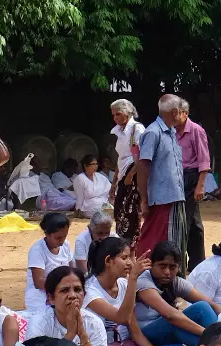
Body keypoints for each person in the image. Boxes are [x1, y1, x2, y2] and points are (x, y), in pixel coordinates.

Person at [83, 237, 178, 346]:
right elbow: (121, 318)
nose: (130, 262)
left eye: (130, 257)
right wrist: (133, 278)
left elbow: (134, 330)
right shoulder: (90, 292)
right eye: (124, 257)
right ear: (108, 261)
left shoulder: (122, 284)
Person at [131, 242, 219, 346]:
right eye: (162, 266)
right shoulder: (143, 281)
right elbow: (169, 315)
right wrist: (209, 333)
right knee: (181, 321)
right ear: (151, 264)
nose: (167, 272)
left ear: (178, 266)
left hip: (159, 336)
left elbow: (211, 305)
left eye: (172, 267)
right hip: (140, 335)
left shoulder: (175, 282)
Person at [134, 94, 187, 261]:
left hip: (175, 196)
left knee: (173, 241)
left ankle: (170, 277)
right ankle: (144, 274)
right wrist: (144, 199)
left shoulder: (171, 132)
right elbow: (143, 167)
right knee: (155, 240)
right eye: (180, 111)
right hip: (161, 199)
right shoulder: (153, 133)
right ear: (174, 112)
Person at [172, 98, 209, 268]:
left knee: (183, 222)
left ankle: (179, 265)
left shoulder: (196, 131)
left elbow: (204, 161)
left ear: (185, 114)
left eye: (176, 113)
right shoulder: (172, 131)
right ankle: (197, 263)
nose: (172, 117)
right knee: (194, 224)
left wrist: (200, 185)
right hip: (177, 178)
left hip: (191, 177)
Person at [109, 99, 145, 241]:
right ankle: (123, 243)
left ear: (127, 113)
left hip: (133, 171)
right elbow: (121, 157)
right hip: (124, 171)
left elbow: (143, 155)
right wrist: (114, 182)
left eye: (118, 114)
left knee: (130, 210)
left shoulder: (137, 129)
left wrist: (131, 174)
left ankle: (131, 245)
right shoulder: (120, 131)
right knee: (119, 209)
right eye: (113, 115)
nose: (115, 118)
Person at [24, 213, 72, 313]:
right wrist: (63, 287)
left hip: (61, 294)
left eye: (64, 236)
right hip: (40, 300)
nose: (62, 241)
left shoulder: (65, 245)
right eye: (58, 238)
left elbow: (72, 269)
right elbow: (39, 282)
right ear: (46, 234)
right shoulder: (37, 250)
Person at [69, 156, 111, 222]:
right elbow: (80, 198)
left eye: (97, 164)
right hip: (89, 209)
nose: (96, 166)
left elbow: (110, 191)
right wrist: (77, 211)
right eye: (93, 164)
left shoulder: (101, 177)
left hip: (105, 206)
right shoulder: (80, 179)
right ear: (85, 166)